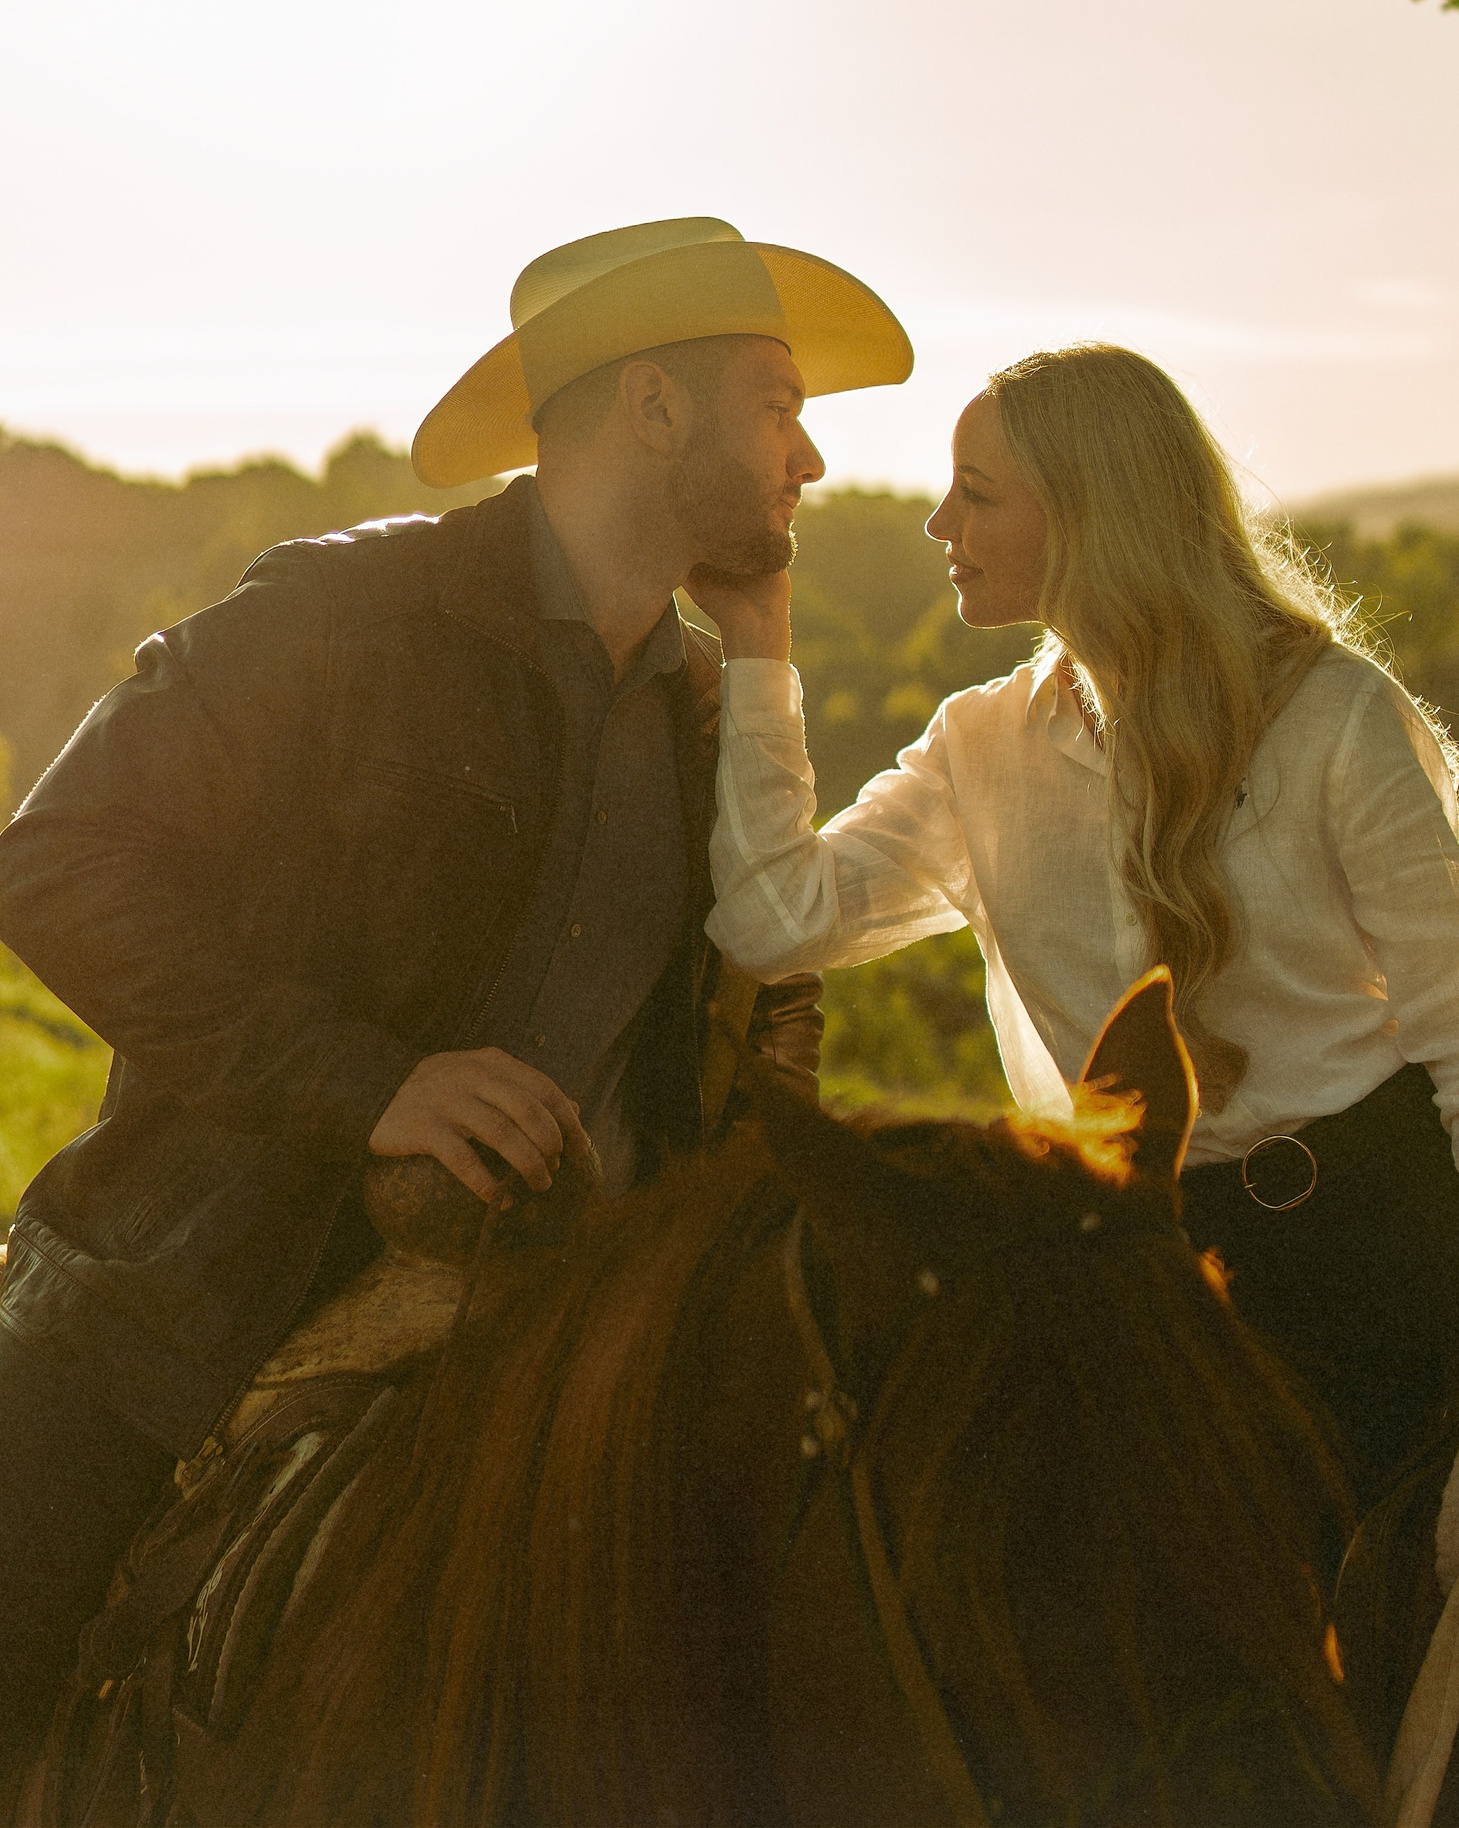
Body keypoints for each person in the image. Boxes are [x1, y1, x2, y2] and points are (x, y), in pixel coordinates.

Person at [0, 216, 909, 1750]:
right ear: (656, 407)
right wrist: (372, 1086)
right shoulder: (343, 616)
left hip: (579, 1352)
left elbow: (773, 1003)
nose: (808, 459)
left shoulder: (713, 706)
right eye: (777, 407)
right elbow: (56, 860)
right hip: (194, 1307)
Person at [698, 342, 1459, 1506]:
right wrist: (757, 646)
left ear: (1093, 517)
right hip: (1135, 1282)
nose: (940, 524)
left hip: (1378, 1251)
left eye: (977, 494)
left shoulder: (1336, 716)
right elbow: (773, 922)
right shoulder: (977, 747)